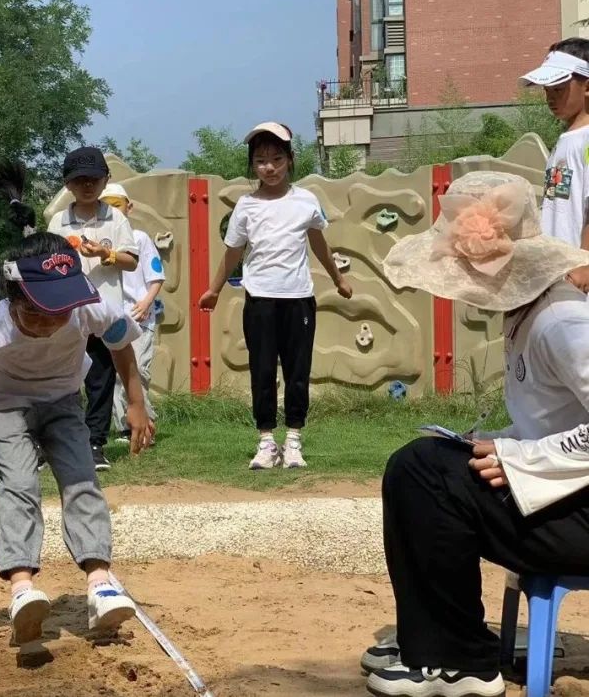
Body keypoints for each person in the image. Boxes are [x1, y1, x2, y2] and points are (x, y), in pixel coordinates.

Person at [360, 171, 589, 697]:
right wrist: (500, 442)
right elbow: (554, 422)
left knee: (423, 471)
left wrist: (520, 458)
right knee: (428, 460)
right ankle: (431, 640)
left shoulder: (562, 324)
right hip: (569, 497)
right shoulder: (528, 317)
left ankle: (459, 663)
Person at [0, 232, 152, 646]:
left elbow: (120, 343)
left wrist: (135, 402)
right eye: (37, 313)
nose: (49, 323)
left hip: (62, 400)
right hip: (5, 405)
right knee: (19, 486)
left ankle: (100, 583)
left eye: (58, 313)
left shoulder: (86, 308)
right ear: (13, 299)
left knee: (82, 481)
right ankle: (22, 587)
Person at [198, 123, 352, 470]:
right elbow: (233, 253)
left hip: (299, 299)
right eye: (261, 160)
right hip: (260, 300)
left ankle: (294, 441)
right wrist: (214, 289)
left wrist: (338, 279)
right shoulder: (247, 206)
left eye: (277, 159)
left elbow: (319, 245)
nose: (269, 167)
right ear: (253, 165)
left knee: (298, 371)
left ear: (290, 160)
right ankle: (267, 442)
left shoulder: (306, 201)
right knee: (262, 370)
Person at [47, 146, 140, 471]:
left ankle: (95, 443)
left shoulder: (116, 218)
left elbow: (131, 261)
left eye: (94, 179)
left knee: (100, 379)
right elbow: (47, 264)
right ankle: (56, 442)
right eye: (80, 180)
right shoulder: (59, 221)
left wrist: (106, 254)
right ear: (68, 184)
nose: (87, 186)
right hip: (68, 314)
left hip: (105, 313)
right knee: (64, 380)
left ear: (105, 181)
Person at [519, 37, 589, 292]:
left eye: (558, 89)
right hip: (560, 274)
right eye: (546, 90)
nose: (550, 97)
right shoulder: (566, 139)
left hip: (579, 278)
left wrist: (585, 264)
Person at [100, 183, 165, 446]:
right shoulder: (101, 242)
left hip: (139, 319)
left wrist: (147, 302)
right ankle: (128, 427)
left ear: (129, 206)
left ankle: (144, 423)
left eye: (117, 205)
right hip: (112, 318)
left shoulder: (139, 239)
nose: (112, 211)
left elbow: (156, 276)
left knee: (139, 370)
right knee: (116, 374)